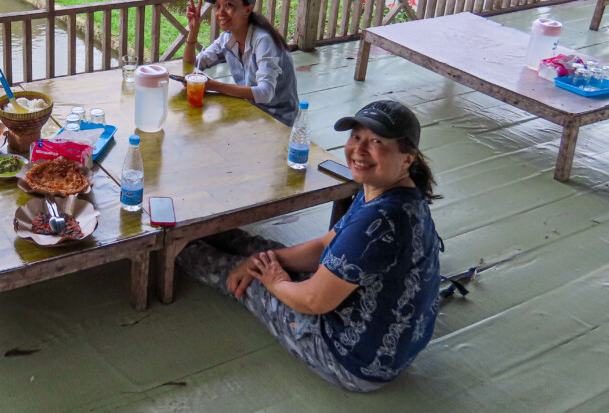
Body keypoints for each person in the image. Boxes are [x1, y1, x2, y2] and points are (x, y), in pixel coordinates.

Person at [176, 100, 442, 392]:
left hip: (352, 362)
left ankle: (178, 251)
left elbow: (315, 301)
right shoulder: (391, 192)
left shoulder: (378, 221)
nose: (359, 150)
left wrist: (274, 281)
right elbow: (325, 246)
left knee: (250, 281)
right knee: (261, 250)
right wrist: (263, 259)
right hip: (385, 341)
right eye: (356, 137)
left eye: (377, 142)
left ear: (407, 159)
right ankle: (198, 233)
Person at [183, 0, 300, 126]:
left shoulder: (263, 40)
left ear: (247, 10)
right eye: (217, 6)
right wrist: (193, 32)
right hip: (250, 110)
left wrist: (213, 85)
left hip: (279, 119)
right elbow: (191, 65)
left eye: (228, 5)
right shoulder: (227, 38)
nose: (220, 13)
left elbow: (265, 93)